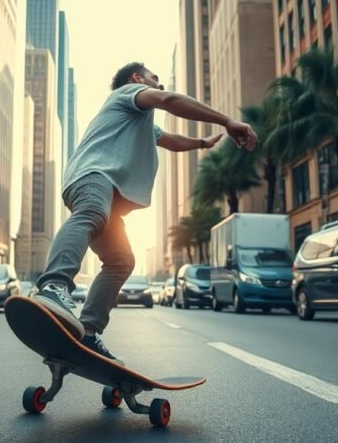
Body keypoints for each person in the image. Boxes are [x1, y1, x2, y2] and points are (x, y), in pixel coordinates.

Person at [30, 62, 256, 362]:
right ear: (137, 79)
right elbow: (169, 100)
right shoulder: (128, 93)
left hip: (106, 193)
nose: (158, 84)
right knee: (93, 212)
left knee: (122, 260)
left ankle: (87, 331)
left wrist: (202, 142)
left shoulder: (142, 120)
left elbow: (170, 140)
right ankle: (53, 286)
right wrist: (227, 121)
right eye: (154, 78)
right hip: (93, 178)